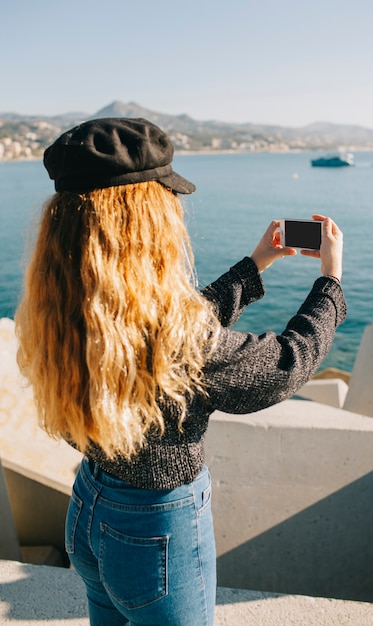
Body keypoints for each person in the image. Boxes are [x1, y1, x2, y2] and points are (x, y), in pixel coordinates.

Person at [15, 117, 346, 626]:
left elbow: (169, 334)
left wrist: (255, 265)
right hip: (154, 536)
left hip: (88, 510)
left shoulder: (66, 310)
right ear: (142, 223)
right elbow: (287, 362)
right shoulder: (175, 338)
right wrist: (331, 282)